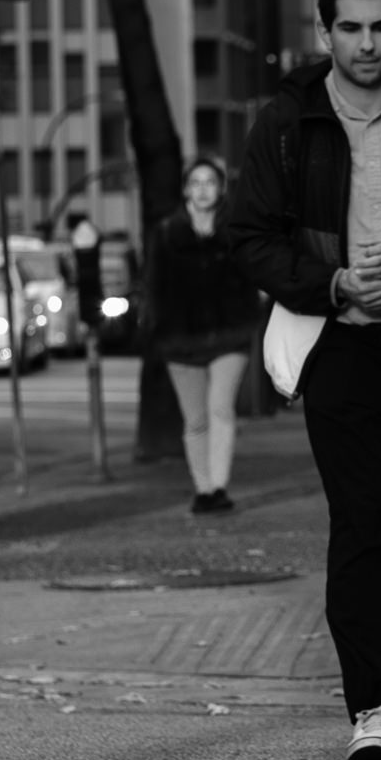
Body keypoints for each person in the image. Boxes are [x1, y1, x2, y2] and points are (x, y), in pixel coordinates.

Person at [225, 0, 381, 760]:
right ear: (326, 32)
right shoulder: (289, 120)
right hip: (339, 349)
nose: (366, 42)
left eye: (380, 26)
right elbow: (249, 235)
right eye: (349, 27)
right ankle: (371, 702)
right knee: (363, 523)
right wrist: (329, 281)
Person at [143, 154, 261, 514]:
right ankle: (203, 488)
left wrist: (249, 316)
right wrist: (158, 330)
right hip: (181, 339)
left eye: (210, 182)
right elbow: (154, 286)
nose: (203, 189)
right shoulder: (167, 233)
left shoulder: (236, 229)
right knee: (195, 418)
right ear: (185, 190)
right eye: (195, 182)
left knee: (220, 409)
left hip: (230, 335)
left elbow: (252, 275)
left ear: (221, 188)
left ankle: (218, 487)